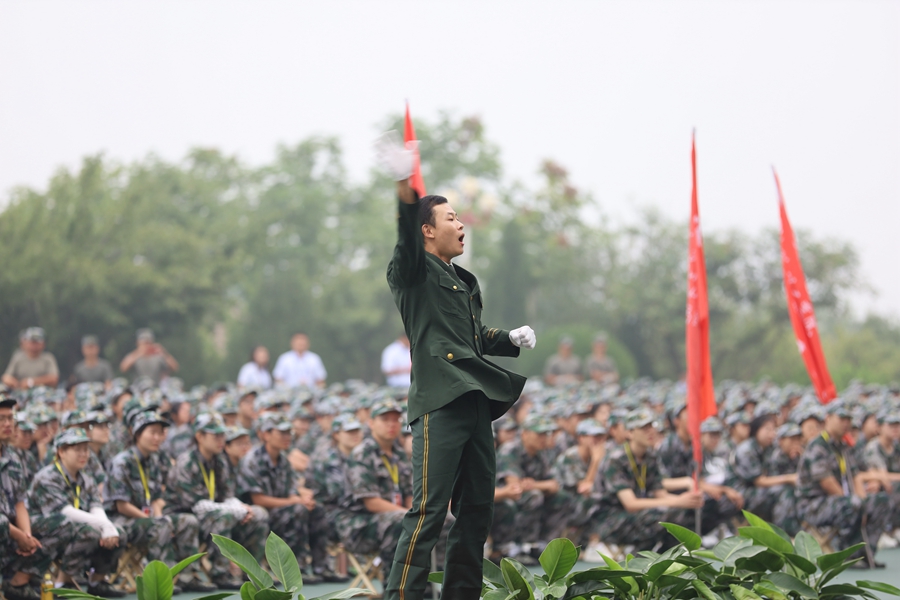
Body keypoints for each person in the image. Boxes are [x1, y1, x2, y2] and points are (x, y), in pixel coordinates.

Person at [377, 135, 536, 600]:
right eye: (450, 218)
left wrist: (508, 339)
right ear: (428, 231)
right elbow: (406, 234)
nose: (461, 224)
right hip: (440, 401)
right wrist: (404, 185)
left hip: (474, 399)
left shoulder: (462, 280)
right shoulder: (413, 271)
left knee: (477, 509)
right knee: (428, 511)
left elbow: (471, 337)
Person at [105, 410, 213, 592]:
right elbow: (121, 505)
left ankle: (188, 576)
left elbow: (156, 498)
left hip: (147, 518)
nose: (158, 438)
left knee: (188, 521)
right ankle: (164, 579)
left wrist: (160, 516)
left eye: (161, 433)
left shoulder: (153, 460)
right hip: (122, 520)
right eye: (152, 433)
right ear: (137, 434)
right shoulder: (122, 462)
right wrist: (154, 520)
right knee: (160, 525)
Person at [166, 413, 268, 590]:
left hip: (213, 514)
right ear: (199, 436)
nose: (221, 440)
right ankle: (220, 573)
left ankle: (251, 571)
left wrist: (242, 508)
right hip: (184, 514)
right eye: (216, 436)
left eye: (222, 435)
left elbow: (227, 495)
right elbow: (195, 504)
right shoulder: (187, 462)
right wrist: (232, 510)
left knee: (258, 514)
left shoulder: (219, 460)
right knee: (224, 516)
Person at [237, 413, 336, 583]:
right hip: (256, 516)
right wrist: (294, 501)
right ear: (266, 434)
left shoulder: (283, 460)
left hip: (282, 511)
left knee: (316, 509)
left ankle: (321, 566)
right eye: (281, 432)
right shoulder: (252, 460)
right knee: (298, 509)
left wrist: (303, 500)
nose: (287, 437)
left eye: (288, 432)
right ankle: (295, 568)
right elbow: (258, 499)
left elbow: (291, 491)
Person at [27, 428, 126, 597]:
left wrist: (109, 528)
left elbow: (96, 506)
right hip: (44, 530)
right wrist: (104, 525)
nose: (83, 454)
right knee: (89, 531)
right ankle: (62, 584)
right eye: (77, 449)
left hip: (75, 527)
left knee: (119, 532)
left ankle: (98, 581)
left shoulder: (86, 478)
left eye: (86, 449)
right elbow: (65, 512)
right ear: (61, 452)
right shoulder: (48, 476)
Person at [796, 400, 891, 568]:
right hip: (812, 505)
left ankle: (865, 553)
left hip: (838, 501)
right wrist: (855, 502)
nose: (846, 423)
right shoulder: (818, 446)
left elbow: (855, 476)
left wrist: (862, 500)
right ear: (828, 418)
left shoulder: (843, 446)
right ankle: (848, 554)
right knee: (853, 504)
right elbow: (827, 483)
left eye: (848, 419)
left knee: (880, 501)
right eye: (841, 418)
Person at [335, 399, 422, 576]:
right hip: (358, 525)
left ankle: (433, 581)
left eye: (396, 419)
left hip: (394, 517)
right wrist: (410, 515)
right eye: (385, 419)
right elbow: (372, 503)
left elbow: (409, 495)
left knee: (443, 519)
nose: (391, 424)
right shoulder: (362, 453)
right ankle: (394, 585)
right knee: (402, 520)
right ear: (371, 423)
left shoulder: (399, 454)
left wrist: (418, 514)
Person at [596, 408, 704, 551]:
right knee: (661, 517)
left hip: (637, 515)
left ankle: (666, 556)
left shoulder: (650, 457)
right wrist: (678, 501)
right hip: (611, 519)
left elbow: (660, 494)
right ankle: (640, 557)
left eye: (651, 426)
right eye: (644, 428)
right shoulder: (616, 459)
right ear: (630, 433)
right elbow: (631, 504)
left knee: (683, 514)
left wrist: (688, 501)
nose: (651, 431)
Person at [2, 394, 49, 600]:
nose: (7, 424)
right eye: (1, 419)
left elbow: (20, 502)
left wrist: (27, 535)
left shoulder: (12, 458)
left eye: (10, 418)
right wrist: (19, 536)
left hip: (9, 529)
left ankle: (17, 584)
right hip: (4, 528)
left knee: (54, 527)